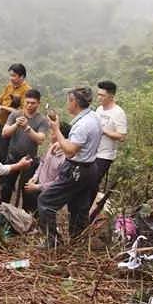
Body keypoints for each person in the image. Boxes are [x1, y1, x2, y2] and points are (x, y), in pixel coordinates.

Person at [38, 87, 102, 248]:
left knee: (46, 201)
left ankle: (53, 241)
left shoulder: (82, 125)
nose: (67, 103)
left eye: (68, 100)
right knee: (78, 207)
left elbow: (70, 151)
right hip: (90, 168)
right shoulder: (93, 116)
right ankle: (77, 243)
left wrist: (56, 129)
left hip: (76, 170)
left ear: (74, 102)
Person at [0, 89, 49, 205]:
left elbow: (40, 139)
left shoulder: (41, 120)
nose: (29, 105)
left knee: (27, 190)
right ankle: (3, 211)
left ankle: (26, 216)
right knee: (6, 187)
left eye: (33, 103)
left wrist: (27, 128)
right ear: (24, 101)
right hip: (12, 157)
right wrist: (16, 125)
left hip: (29, 159)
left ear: (38, 103)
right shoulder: (15, 114)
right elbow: (4, 133)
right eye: (27, 102)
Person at [23, 122, 70, 212]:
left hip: (48, 193)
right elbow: (42, 163)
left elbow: (58, 182)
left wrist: (37, 187)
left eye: (53, 132)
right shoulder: (52, 147)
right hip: (37, 185)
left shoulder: (65, 159)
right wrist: (35, 177)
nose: (50, 133)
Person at [95, 80, 127, 189]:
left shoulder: (118, 113)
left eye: (102, 95)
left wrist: (104, 131)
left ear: (111, 96)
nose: (99, 98)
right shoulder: (99, 110)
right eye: (98, 94)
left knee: (93, 182)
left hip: (105, 155)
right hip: (92, 152)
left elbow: (122, 136)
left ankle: (87, 205)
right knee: (87, 182)